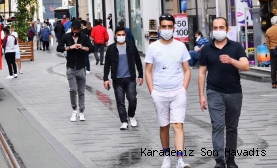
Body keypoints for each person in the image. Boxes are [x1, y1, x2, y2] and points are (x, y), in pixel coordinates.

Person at [198, 17, 249, 168]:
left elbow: (246, 66)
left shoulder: (236, 47)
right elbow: (202, 73)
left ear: (227, 30)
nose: (218, 30)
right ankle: (219, 160)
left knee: (232, 127)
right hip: (214, 92)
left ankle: (231, 159)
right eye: (215, 28)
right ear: (212, 29)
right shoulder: (206, 49)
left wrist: (232, 61)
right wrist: (201, 95)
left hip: (234, 93)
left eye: (221, 28)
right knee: (218, 125)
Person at [144, 14, 192, 168]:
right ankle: (166, 157)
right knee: (164, 126)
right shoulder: (153, 47)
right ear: (159, 28)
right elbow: (148, 71)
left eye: (169, 27)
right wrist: (152, 92)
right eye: (164, 27)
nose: (166, 29)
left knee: (178, 125)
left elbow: (187, 69)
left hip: (178, 91)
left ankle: (179, 160)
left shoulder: (180, 46)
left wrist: (183, 89)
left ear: (174, 28)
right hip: (160, 92)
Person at [103, 27, 143, 130]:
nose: (121, 37)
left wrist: (141, 75)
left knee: (132, 99)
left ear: (125, 35)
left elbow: (138, 61)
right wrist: (105, 79)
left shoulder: (131, 46)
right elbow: (107, 64)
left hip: (130, 78)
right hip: (117, 79)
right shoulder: (111, 48)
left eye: (123, 35)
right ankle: (124, 121)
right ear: (115, 36)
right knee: (120, 101)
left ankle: (131, 116)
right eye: (119, 35)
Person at [57, 21, 94, 121]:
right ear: (72, 28)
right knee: (73, 90)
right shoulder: (67, 36)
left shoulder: (84, 37)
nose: (76, 31)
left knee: (81, 91)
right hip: (71, 67)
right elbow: (58, 48)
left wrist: (83, 47)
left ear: (80, 29)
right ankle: (74, 110)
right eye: (74, 29)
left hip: (81, 67)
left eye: (78, 29)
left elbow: (92, 48)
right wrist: (69, 47)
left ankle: (81, 112)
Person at [264, 16, 277, 88]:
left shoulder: (269, 30)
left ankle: (274, 83)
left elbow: (267, 42)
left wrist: (270, 48)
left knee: (273, 67)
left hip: (273, 49)